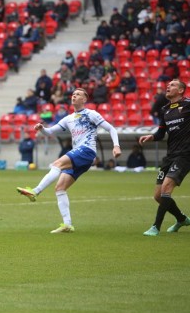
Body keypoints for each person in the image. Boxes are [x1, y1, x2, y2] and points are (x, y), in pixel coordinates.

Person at [16, 88, 122, 233]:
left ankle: (35, 191)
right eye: (73, 94)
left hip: (87, 151)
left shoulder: (91, 114)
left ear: (84, 99)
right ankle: (67, 225)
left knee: (56, 164)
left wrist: (116, 146)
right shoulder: (68, 118)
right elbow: (50, 131)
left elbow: (111, 129)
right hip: (80, 156)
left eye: (78, 94)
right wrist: (41, 128)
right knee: (60, 188)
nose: (74, 95)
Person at [139, 80, 190, 236]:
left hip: (185, 154)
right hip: (170, 155)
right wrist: (151, 137)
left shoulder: (188, 105)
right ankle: (181, 219)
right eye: (168, 85)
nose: (168, 87)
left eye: (173, 85)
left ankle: (155, 227)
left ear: (181, 90)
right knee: (158, 195)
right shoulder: (165, 109)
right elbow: (161, 133)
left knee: (166, 188)